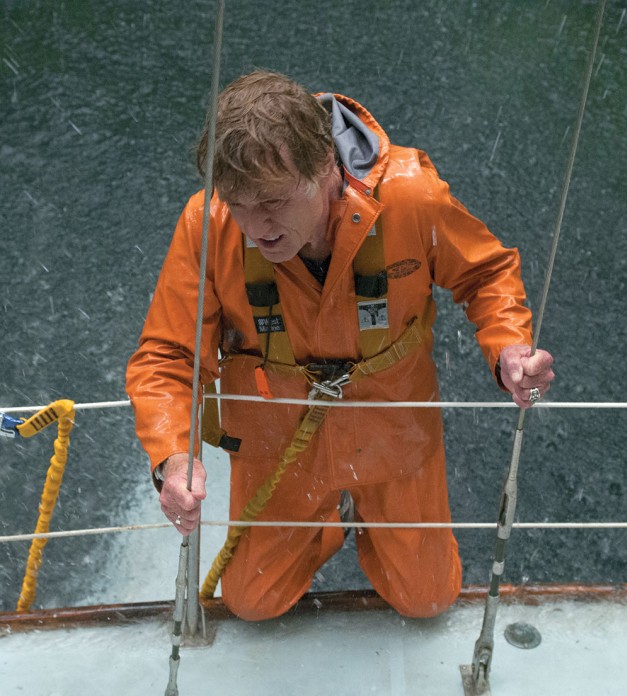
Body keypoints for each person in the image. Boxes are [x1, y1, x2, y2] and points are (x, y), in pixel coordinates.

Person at [126, 70, 554, 621]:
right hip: (279, 438)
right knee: (253, 605)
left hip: (392, 425)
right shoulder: (207, 224)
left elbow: (486, 273)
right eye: (239, 204)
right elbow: (167, 355)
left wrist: (509, 349)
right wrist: (173, 456)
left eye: (275, 201)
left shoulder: (410, 197)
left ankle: (363, 517)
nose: (258, 226)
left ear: (325, 167)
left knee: (429, 599)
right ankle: (324, 526)